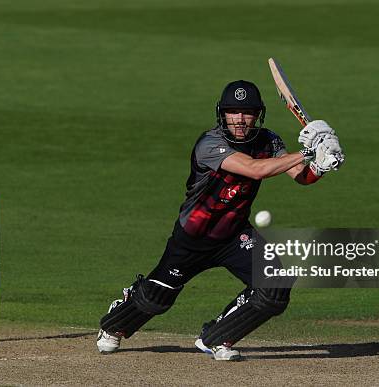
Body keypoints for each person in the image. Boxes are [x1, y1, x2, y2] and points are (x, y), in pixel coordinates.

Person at [97, 80, 344, 361]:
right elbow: (255, 170)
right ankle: (115, 323)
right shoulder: (210, 144)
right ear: (222, 114)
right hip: (192, 239)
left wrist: (322, 163)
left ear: (258, 114)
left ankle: (215, 338)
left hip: (233, 235)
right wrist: (308, 151)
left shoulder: (268, 140)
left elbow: (302, 177)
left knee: (275, 285)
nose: (240, 119)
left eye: (247, 112)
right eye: (232, 112)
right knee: (156, 300)